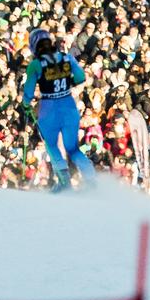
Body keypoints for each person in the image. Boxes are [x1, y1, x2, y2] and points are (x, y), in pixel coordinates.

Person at [22, 28, 95, 192]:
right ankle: (91, 179)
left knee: (52, 145)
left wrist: (26, 104)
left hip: (50, 107)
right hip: (68, 105)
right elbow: (81, 78)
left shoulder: (35, 65)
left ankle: (64, 182)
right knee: (72, 147)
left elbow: (28, 93)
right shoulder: (67, 58)